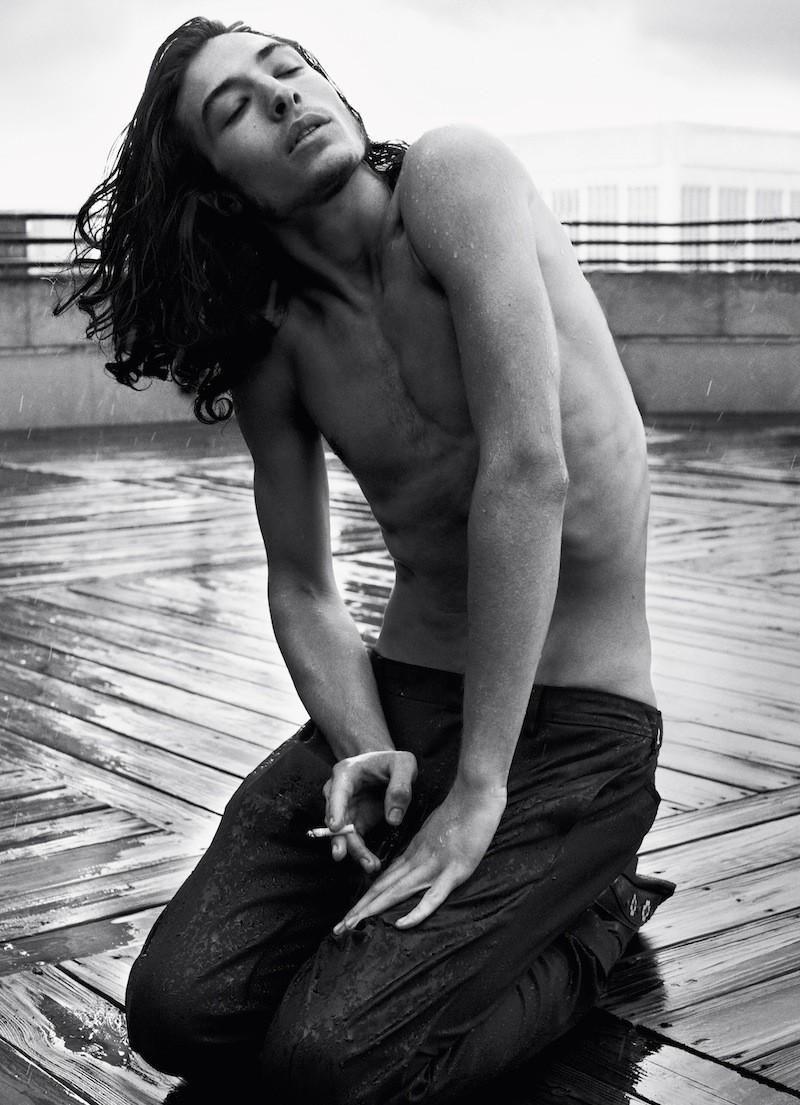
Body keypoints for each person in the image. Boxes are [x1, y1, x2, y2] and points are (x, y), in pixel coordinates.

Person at [60, 17, 675, 1104]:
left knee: (332, 1062)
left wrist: (477, 789)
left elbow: (527, 472)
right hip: (404, 702)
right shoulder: (276, 338)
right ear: (216, 184)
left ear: (333, 89)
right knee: (177, 1008)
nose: (281, 97)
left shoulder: (453, 179)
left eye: (287, 69)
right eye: (235, 108)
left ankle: (593, 917)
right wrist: (363, 742)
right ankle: (440, 924)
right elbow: (301, 583)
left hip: (570, 727)